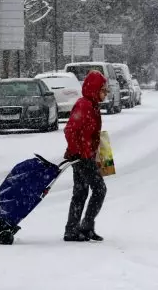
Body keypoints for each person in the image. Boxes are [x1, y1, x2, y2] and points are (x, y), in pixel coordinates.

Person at [63, 70, 108, 242]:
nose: (106, 93)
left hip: (87, 154)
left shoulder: (92, 105)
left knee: (81, 192)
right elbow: (70, 130)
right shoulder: (84, 105)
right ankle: (84, 226)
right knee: (99, 189)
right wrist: (79, 152)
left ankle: (73, 229)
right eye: (103, 90)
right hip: (82, 156)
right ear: (94, 89)